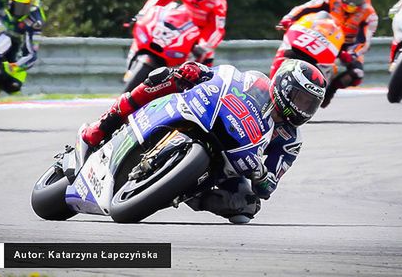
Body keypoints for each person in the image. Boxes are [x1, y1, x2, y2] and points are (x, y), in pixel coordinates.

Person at [80, 59, 326, 223]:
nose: (303, 108)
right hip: (207, 115)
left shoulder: (290, 140)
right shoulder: (256, 82)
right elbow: (222, 76)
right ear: (284, 86)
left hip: (233, 162)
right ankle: (103, 126)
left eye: (310, 104)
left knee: (247, 208)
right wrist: (196, 70)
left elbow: (269, 187)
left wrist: (261, 175)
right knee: (164, 76)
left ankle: (183, 193)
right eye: (300, 98)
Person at [277, 0, 378, 107]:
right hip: (322, 35)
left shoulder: (369, 14)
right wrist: (289, 17)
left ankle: (330, 89)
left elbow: (365, 40)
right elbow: (306, 7)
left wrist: (353, 53)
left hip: (348, 47)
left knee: (357, 74)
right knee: (290, 48)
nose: (353, 2)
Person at [137, 0, 227, 66]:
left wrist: (204, 46)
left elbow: (217, 28)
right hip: (182, 24)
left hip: (201, 33)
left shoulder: (219, 1)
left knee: (206, 57)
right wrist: (144, 12)